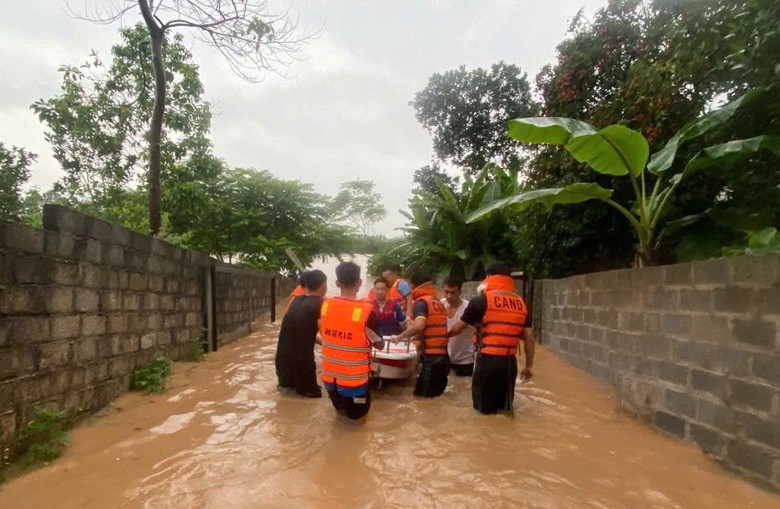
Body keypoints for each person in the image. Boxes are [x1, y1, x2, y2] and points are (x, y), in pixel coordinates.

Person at [447, 262, 535, 415]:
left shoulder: (480, 301)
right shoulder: (521, 304)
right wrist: (529, 366)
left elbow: (457, 329)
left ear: (488, 277)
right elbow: (529, 338)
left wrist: (439, 335)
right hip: (509, 364)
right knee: (505, 411)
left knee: (484, 414)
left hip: (486, 362)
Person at [320, 261, 385, 420]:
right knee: (357, 421)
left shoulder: (325, 306)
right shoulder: (366, 312)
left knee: (340, 415)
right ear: (360, 283)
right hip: (354, 383)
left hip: (329, 380)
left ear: (336, 283)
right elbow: (380, 345)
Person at [390, 271, 449, 397]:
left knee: (422, 399)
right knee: (435, 399)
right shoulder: (437, 302)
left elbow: (419, 325)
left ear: (413, 286)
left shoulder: (421, 303)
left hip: (431, 359)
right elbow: (432, 328)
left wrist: (400, 337)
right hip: (444, 358)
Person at [275, 270, 328, 398]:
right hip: (302, 364)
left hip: (281, 362)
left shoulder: (295, 301)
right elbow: (328, 335)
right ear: (324, 285)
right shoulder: (322, 304)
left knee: (286, 397)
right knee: (311, 400)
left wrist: (322, 343)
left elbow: (301, 330)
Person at [441, 275, 474, 376]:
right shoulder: (439, 305)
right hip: (444, 357)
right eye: (446, 292)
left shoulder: (469, 308)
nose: (449, 296)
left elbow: (457, 330)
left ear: (460, 292)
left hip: (465, 360)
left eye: (453, 292)